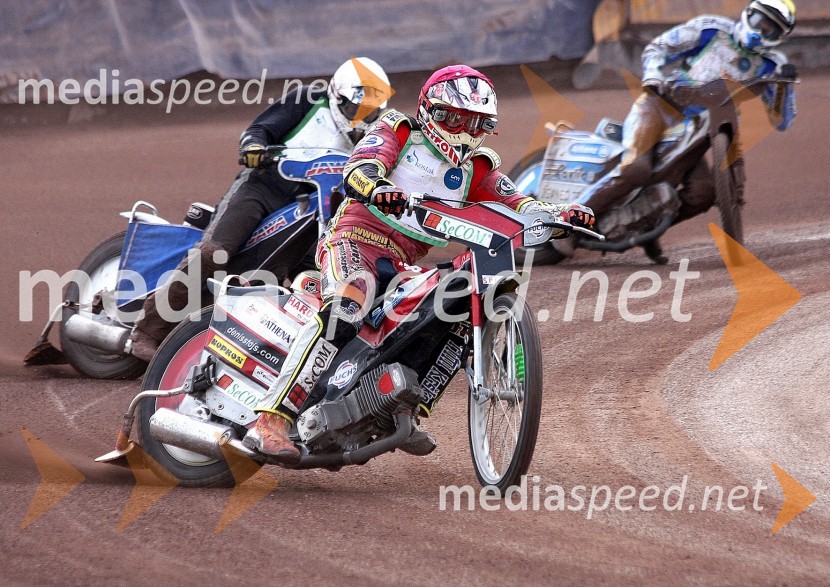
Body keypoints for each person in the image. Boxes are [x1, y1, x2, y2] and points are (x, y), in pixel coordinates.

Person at [243, 64, 595, 462]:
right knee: (348, 305)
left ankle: (400, 405)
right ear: (432, 111)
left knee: (450, 309)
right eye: (457, 119)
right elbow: (359, 167)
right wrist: (376, 187)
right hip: (354, 241)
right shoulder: (399, 131)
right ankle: (270, 420)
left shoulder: (478, 167)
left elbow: (519, 204)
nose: (465, 132)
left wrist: (560, 214)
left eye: (477, 124)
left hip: (402, 261)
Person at [128, 57, 392, 361]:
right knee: (214, 252)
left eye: (372, 112)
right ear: (337, 97)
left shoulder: (374, 139)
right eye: (356, 109)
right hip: (263, 188)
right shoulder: (307, 100)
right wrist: (253, 147)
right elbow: (259, 130)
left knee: (310, 278)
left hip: (312, 213)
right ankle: (148, 329)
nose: (362, 119)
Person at [567, 0, 798, 260]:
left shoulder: (773, 65)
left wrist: (784, 86)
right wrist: (653, 76)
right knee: (636, 169)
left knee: (704, 193)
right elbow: (658, 47)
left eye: (771, 32)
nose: (760, 34)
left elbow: (782, 122)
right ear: (748, 15)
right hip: (660, 107)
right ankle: (567, 227)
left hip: (697, 130)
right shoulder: (711, 29)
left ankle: (646, 230)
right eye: (759, 24)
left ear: (781, 38)